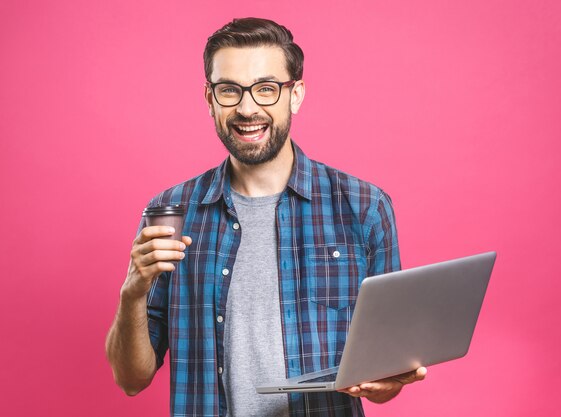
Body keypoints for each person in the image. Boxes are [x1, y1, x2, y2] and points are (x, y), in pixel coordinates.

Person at [105, 17, 427, 417]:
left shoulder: (364, 207)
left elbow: (385, 371)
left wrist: (385, 384)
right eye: (229, 91)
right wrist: (133, 290)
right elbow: (130, 378)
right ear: (209, 98)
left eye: (266, 89)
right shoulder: (172, 213)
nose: (246, 108)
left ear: (295, 95)